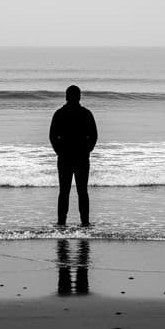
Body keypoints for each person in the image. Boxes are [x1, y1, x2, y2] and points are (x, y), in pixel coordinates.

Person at [49, 84, 98, 227]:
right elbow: (94, 135)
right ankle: (85, 222)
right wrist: (87, 149)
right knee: (82, 191)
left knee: (64, 191)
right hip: (82, 156)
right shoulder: (86, 113)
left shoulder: (59, 113)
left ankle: (61, 222)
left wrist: (59, 151)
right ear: (79, 97)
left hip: (65, 156)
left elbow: (52, 136)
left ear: (66, 97)